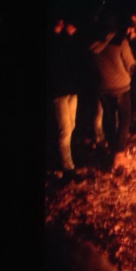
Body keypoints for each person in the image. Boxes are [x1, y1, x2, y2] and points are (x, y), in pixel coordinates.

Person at [89, 12, 136, 167]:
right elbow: (130, 63)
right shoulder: (120, 41)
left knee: (108, 119)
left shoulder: (92, 44)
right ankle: (119, 155)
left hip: (103, 88)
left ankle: (111, 149)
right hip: (121, 87)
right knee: (124, 120)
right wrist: (127, 74)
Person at [48, 17, 83, 171]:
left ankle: (68, 157)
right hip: (59, 92)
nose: (63, 25)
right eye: (59, 23)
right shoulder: (52, 43)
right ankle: (67, 165)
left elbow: (75, 62)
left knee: (71, 126)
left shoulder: (68, 42)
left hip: (71, 91)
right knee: (65, 129)